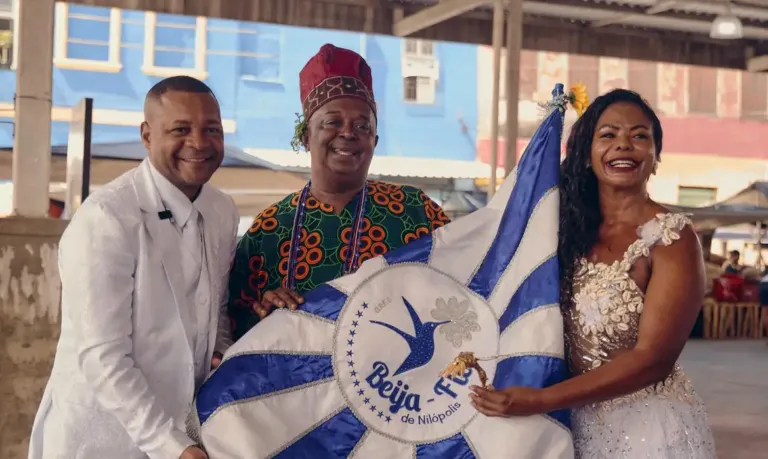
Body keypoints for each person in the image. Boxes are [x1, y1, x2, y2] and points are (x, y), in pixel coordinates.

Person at [469, 89, 716, 457]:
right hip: (565, 426)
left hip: (646, 434)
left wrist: (542, 399)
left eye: (639, 136)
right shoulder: (560, 228)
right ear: (586, 153)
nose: (624, 146)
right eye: (608, 135)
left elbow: (653, 360)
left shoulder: (671, 238)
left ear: (655, 155)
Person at [28, 76, 239, 459]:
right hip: (101, 440)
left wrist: (222, 356)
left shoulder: (223, 210)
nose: (199, 142)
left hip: (185, 430)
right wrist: (169, 445)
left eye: (212, 129)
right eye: (180, 129)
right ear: (146, 135)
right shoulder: (107, 217)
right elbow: (103, 355)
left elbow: (216, 311)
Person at [227, 44, 450, 340]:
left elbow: (460, 293)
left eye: (362, 125)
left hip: (396, 381)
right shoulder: (269, 229)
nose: (348, 133)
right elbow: (232, 326)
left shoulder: (417, 212)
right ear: (306, 136)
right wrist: (264, 312)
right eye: (333, 122)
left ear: (375, 139)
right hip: (299, 384)